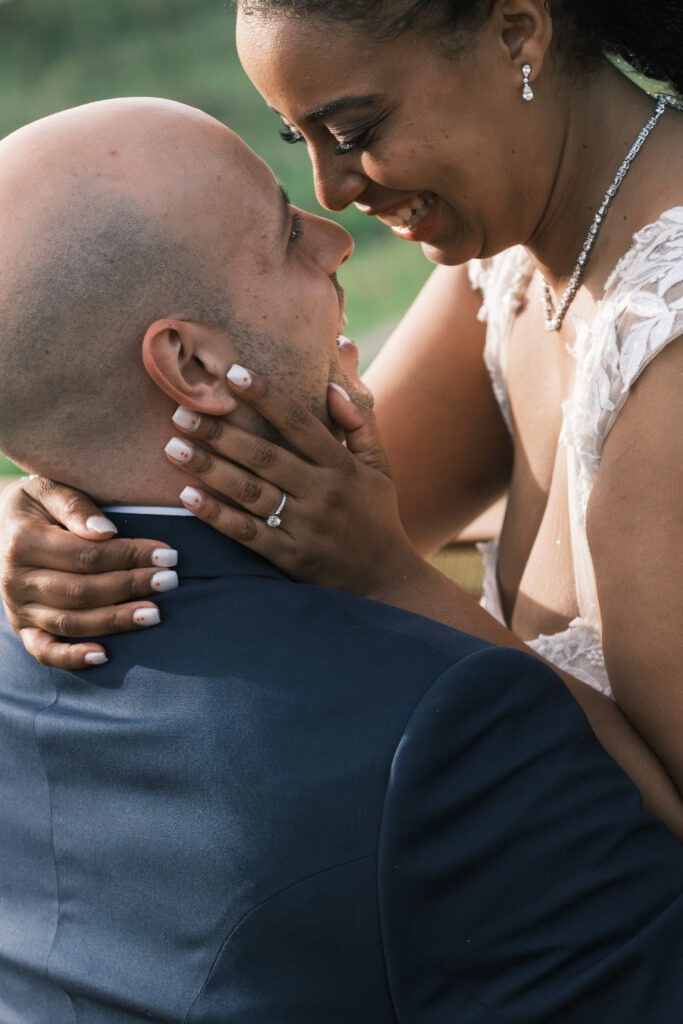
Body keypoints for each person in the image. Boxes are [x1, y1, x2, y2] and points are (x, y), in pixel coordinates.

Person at [2, 96, 683, 1022]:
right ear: (192, 368)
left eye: (354, 129)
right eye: (287, 233)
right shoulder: (449, 732)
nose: (336, 224)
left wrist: (83, 468)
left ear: (517, 29)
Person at [1, 0, 682, 799]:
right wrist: (60, 512)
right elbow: (291, 506)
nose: (330, 190)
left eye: (355, 132)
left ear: (515, 33)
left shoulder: (665, 342)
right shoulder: (513, 260)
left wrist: (396, 584)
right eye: (302, 140)